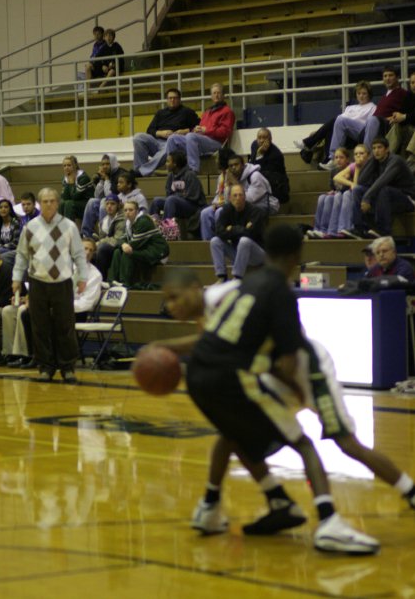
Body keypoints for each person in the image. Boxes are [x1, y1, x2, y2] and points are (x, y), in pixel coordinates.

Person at [159, 267, 415, 538]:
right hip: (275, 373)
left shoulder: (225, 296)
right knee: (233, 432)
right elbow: (212, 342)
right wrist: (166, 347)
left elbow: (273, 328)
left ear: (196, 288)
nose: (172, 306)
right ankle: (238, 503)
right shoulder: (208, 315)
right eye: (168, 301)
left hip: (304, 367)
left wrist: (167, 348)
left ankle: (409, 490)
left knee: (347, 444)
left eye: (176, 297)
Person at [185, 225, 379, 553]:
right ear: (296, 256)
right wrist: (299, 391)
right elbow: (287, 363)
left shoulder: (244, 284)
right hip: (231, 378)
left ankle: (223, 504)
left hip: (196, 375)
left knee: (232, 436)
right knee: (303, 443)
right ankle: (328, 520)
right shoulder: (281, 294)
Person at [12, 188, 87, 382]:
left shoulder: (69, 226)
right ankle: (45, 367)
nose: (48, 204)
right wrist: (16, 278)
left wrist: (82, 278)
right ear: (39, 203)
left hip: (62, 282)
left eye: (52, 201)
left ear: (58, 203)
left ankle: (68, 367)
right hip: (37, 281)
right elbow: (21, 255)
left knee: (65, 325)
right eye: (45, 201)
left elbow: (79, 254)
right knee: (40, 326)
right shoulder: (30, 228)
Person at [4, 238, 102, 369]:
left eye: (91, 250)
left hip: (76, 312)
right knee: (28, 313)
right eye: (84, 248)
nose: (87, 252)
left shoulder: (94, 275)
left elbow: (87, 303)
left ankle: (48, 358)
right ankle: (36, 356)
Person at [321, 67, 408, 167]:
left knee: (372, 119)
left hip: (383, 127)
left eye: (391, 75)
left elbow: (404, 113)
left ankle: (366, 158)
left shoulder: (403, 93)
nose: (387, 78)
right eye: (385, 76)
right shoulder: (386, 95)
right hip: (368, 127)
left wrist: (397, 117)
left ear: (397, 77)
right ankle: (334, 158)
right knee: (340, 120)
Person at [344, 137, 415, 238]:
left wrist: (366, 197)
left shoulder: (395, 161)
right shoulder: (375, 161)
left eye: (379, 147)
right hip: (386, 198)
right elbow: (361, 180)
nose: (376, 151)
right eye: (374, 148)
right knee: (357, 189)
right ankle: (359, 229)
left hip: (407, 199)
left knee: (383, 189)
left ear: (387, 149)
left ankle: (383, 230)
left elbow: (383, 180)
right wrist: (372, 159)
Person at [294, 81, 375, 165]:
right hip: (345, 134)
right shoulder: (350, 108)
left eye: (364, 93)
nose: (361, 96)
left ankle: (308, 143)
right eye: (359, 93)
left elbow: (369, 127)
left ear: (369, 94)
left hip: (358, 135)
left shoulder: (372, 107)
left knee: (337, 119)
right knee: (331, 129)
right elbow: (338, 124)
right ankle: (328, 159)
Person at [166, 83, 236, 172]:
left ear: (223, 95)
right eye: (214, 93)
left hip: (216, 142)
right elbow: (200, 128)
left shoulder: (227, 112)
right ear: (211, 96)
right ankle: (173, 169)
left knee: (191, 136)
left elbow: (225, 132)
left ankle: (193, 169)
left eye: (218, 93)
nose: (216, 95)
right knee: (172, 138)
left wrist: (206, 130)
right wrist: (195, 130)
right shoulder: (207, 111)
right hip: (202, 139)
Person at [133, 88, 200, 177]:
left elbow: (198, 126)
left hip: (175, 144)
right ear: (167, 100)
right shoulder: (160, 113)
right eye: (170, 98)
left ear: (179, 99)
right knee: (138, 137)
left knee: (169, 142)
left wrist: (185, 131)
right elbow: (150, 130)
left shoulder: (187, 112)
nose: (172, 100)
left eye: (175, 98)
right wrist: (161, 133)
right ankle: (139, 169)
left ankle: (142, 171)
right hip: (158, 142)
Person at [210, 184, 267, 282]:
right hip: (238, 252)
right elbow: (219, 231)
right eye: (235, 195)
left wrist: (231, 229)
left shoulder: (255, 211)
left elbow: (250, 234)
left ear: (245, 197)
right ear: (230, 198)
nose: (238, 198)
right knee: (215, 241)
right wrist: (242, 229)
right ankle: (222, 277)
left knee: (244, 241)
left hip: (257, 254)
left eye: (241, 195)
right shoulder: (227, 210)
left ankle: (237, 278)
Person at [108, 201, 169, 287]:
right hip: (144, 249)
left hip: (157, 252)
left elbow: (133, 245)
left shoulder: (143, 221)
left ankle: (125, 283)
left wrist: (124, 244)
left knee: (128, 253)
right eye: (125, 210)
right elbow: (121, 239)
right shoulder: (129, 222)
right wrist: (123, 244)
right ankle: (111, 281)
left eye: (130, 210)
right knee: (117, 252)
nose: (127, 212)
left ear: (137, 211)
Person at [306, 147, 351, 239]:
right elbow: (332, 185)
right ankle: (319, 229)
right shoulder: (334, 171)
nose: (338, 160)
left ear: (347, 159)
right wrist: (333, 191)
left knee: (337, 196)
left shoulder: (350, 169)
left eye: (341, 157)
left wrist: (337, 190)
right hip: (338, 193)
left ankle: (331, 229)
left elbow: (349, 186)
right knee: (322, 197)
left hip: (346, 194)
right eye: (336, 157)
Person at [149, 151, 207, 221]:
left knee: (171, 199)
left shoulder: (190, 175)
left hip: (193, 207)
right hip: (176, 203)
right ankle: (153, 227)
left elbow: (193, 197)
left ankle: (166, 228)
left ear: (175, 164)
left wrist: (177, 197)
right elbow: (168, 193)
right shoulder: (171, 176)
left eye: (168, 161)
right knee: (156, 201)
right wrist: (179, 195)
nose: (165, 164)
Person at [80, 153, 122, 237]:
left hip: (119, 204)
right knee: (92, 201)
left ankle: (103, 234)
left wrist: (106, 179)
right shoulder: (106, 175)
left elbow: (110, 197)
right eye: (103, 164)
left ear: (112, 163)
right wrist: (102, 180)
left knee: (104, 202)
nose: (105, 166)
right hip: (107, 203)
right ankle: (86, 234)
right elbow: (97, 195)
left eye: (107, 164)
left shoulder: (119, 174)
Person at [200, 148, 236, 240]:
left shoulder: (234, 174)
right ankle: (207, 243)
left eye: (217, 158)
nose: (215, 161)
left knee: (219, 212)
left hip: (232, 205)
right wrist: (215, 203)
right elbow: (218, 194)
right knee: (205, 213)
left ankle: (221, 242)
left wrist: (226, 203)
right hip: (221, 203)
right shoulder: (221, 176)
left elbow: (237, 193)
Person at [250, 127, 289, 203]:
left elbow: (262, 171)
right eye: (259, 138)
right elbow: (252, 165)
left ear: (270, 139)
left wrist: (260, 155)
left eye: (264, 138)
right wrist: (259, 154)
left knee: (259, 174)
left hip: (277, 185)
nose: (261, 140)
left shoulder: (276, 154)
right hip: (263, 181)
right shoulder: (254, 145)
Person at [93, 193, 127, 280]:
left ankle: (102, 279)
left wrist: (99, 243)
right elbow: (102, 238)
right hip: (107, 246)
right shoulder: (104, 220)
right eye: (107, 204)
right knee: (89, 249)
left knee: (102, 248)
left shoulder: (122, 218)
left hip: (120, 246)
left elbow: (117, 239)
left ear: (118, 205)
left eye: (112, 204)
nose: (109, 206)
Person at [386, 71, 415, 164]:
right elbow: (402, 113)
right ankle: (386, 154)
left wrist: (404, 117)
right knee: (396, 125)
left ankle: (411, 159)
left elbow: (405, 116)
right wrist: (396, 117)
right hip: (410, 127)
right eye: (412, 83)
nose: (414, 85)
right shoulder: (409, 96)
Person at [59, 155, 94, 224]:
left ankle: (69, 230)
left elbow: (75, 196)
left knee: (69, 204)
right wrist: (68, 182)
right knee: (61, 203)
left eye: (69, 165)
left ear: (75, 166)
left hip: (87, 204)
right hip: (75, 204)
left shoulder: (83, 178)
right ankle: (60, 229)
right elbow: (65, 197)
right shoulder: (65, 179)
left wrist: (71, 183)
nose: (66, 168)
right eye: (64, 166)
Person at [0, 199, 21, 264]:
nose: (3, 209)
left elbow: (16, 243)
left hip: (15, 249)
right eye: (0, 207)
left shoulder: (16, 223)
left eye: (6, 207)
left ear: (10, 209)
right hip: (3, 248)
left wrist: (1, 247)